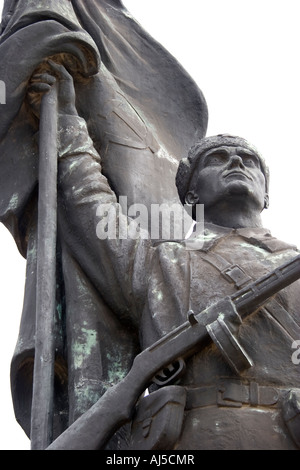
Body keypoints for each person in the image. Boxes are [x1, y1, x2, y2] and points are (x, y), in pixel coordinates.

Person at [30, 62, 300, 450]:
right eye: (218, 158)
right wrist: (68, 118)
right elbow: (89, 206)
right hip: (189, 439)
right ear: (190, 195)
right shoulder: (163, 263)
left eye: (249, 160)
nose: (237, 163)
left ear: (267, 194)